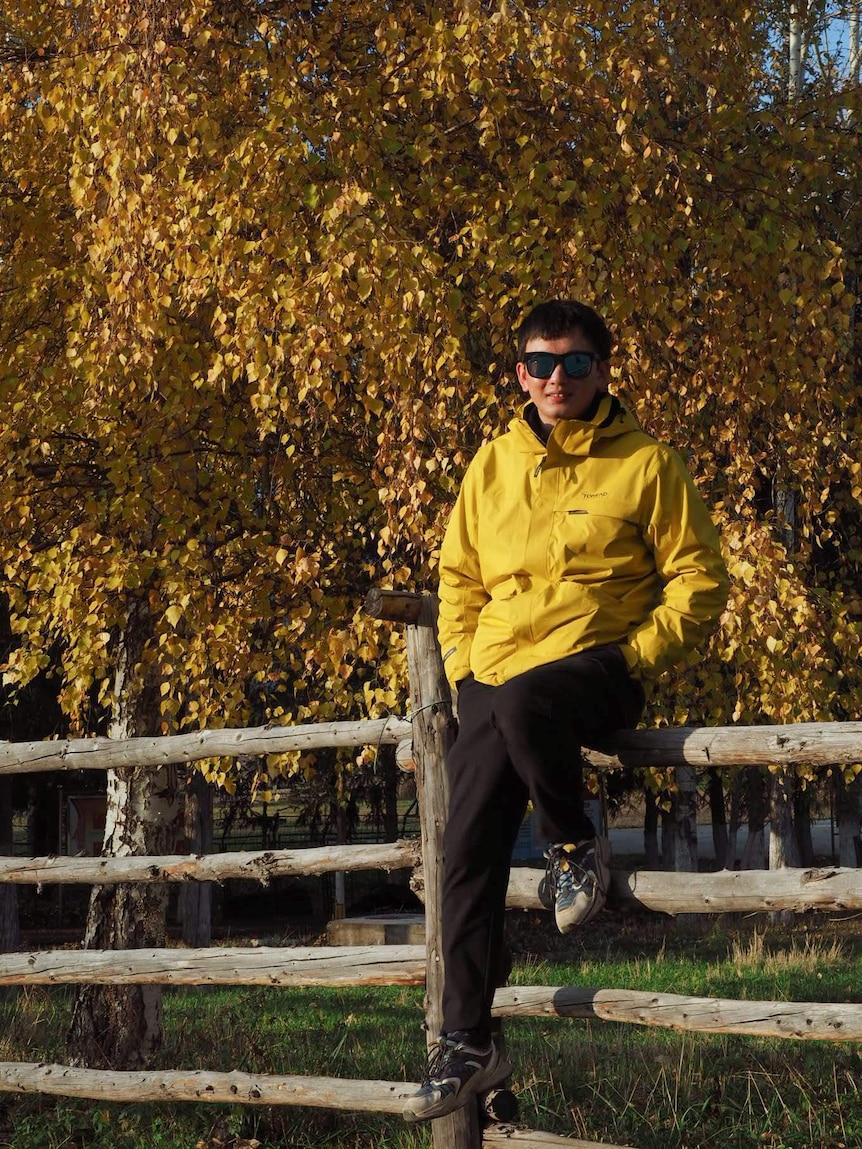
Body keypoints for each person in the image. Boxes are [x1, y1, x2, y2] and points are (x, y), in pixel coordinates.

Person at [401, 299, 729, 1124]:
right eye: (542, 363)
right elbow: (459, 577)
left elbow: (699, 579)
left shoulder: (647, 463)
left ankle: (575, 844)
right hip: (497, 679)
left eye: (576, 363)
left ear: (603, 372)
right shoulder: (492, 463)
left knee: (529, 701)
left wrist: (637, 653)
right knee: (462, 851)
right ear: (520, 373)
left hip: (598, 668)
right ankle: (468, 1040)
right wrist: (468, 668)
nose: (558, 378)